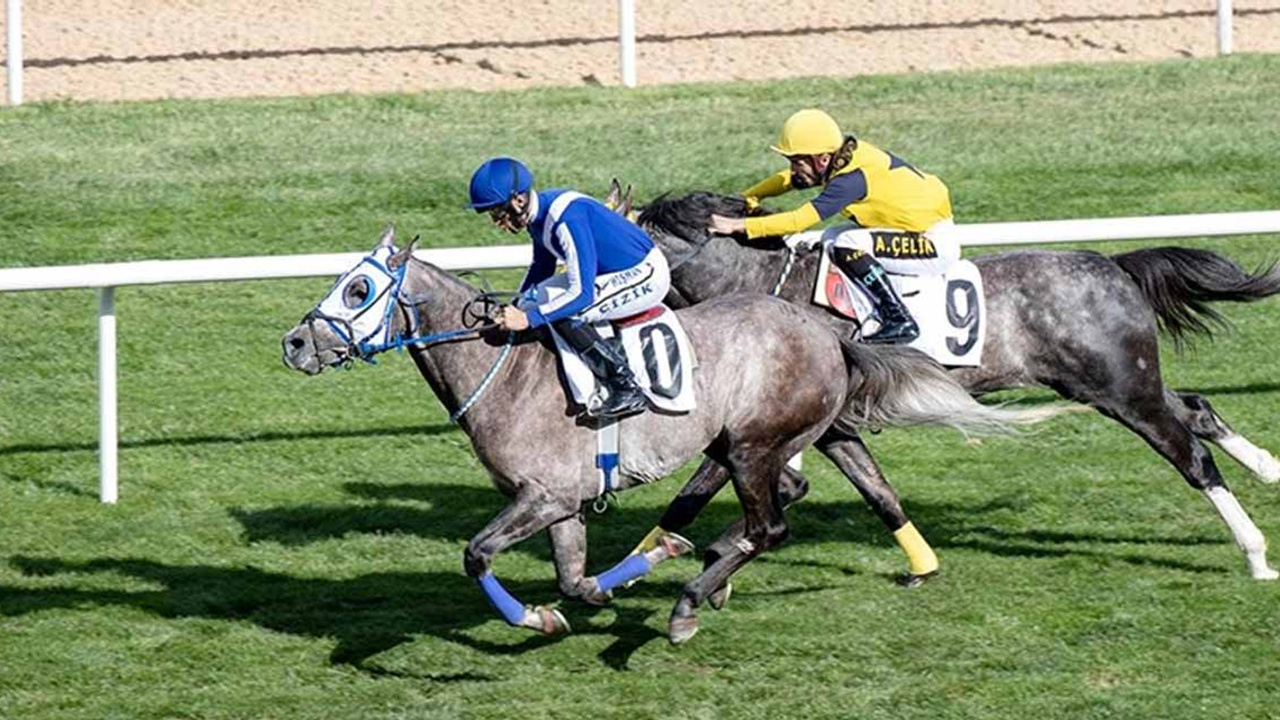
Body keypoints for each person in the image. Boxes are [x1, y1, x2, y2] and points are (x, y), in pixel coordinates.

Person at [708, 109, 959, 344]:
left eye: (797, 162)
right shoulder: (841, 160)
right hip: (914, 232)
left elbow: (798, 221)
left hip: (933, 243)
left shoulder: (849, 181)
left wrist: (738, 225)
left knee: (848, 243)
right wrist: (749, 196)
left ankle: (899, 319)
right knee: (832, 238)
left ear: (822, 159)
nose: (794, 169)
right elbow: (790, 180)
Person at [466, 156, 670, 420]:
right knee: (537, 300)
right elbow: (542, 267)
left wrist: (528, 319)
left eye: (497, 211)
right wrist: (515, 305)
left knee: (565, 311)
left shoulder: (565, 220)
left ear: (518, 200)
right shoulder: (538, 216)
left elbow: (580, 295)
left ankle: (624, 386)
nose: (497, 220)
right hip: (613, 273)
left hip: (644, 274)